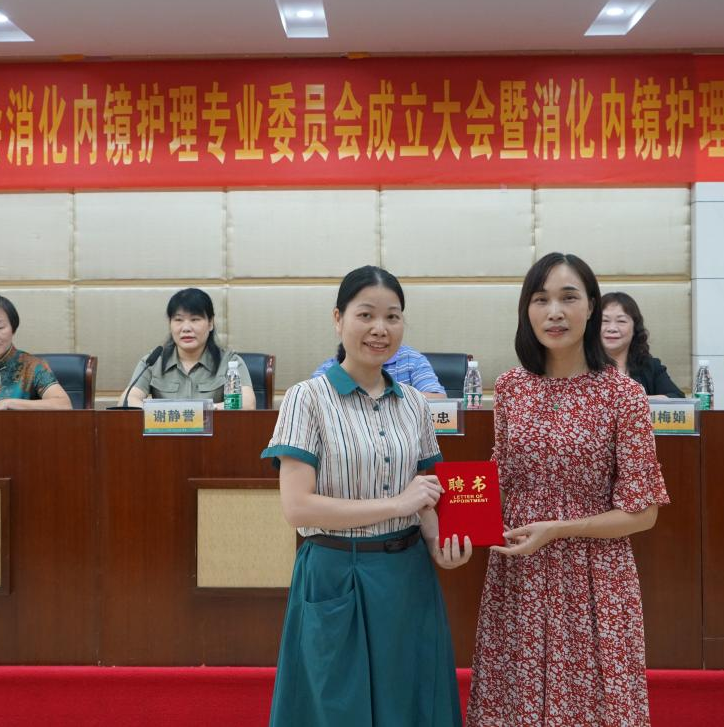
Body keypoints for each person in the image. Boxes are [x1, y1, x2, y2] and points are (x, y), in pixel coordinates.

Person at [261, 265, 473, 727]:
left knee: (409, 705)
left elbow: (426, 493)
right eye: (366, 315)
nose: (380, 329)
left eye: (393, 317)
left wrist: (439, 545)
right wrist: (396, 505)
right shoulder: (306, 398)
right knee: (337, 708)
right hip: (336, 572)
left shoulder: (415, 404)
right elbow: (297, 507)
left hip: (408, 576)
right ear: (338, 319)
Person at [468, 253, 670, 727]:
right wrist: (454, 514)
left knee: (593, 704)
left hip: (594, 579)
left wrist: (558, 529)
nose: (554, 312)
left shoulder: (623, 395)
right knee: (513, 701)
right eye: (541, 300)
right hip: (519, 575)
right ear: (527, 310)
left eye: (568, 298)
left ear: (592, 306)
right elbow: (502, 480)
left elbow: (643, 513)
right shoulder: (511, 388)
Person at [119, 288, 256, 409]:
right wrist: (164, 412)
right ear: (170, 324)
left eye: (195, 319)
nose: (186, 328)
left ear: (210, 323)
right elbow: (126, 401)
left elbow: (247, 404)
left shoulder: (230, 362)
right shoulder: (153, 362)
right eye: (178, 320)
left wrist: (203, 410)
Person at [601, 291, 684, 398]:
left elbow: (677, 399)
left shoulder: (650, 367)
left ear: (635, 328)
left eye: (621, 321)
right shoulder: (582, 366)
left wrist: (639, 401)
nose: (612, 328)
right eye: (604, 320)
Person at [311, 344, 448, 398]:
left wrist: (388, 401)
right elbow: (312, 399)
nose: (377, 331)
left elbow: (439, 399)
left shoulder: (411, 359)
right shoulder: (334, 366)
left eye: (390, 317)